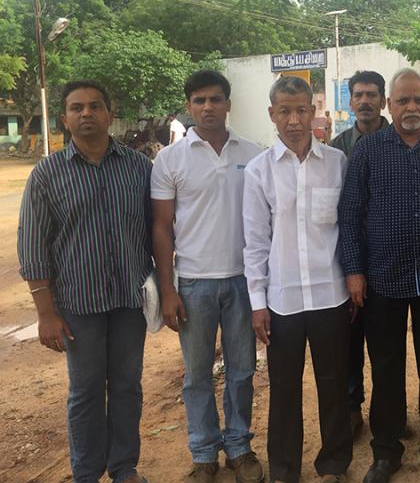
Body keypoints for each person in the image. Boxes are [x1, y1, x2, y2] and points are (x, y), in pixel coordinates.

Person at [338, 67, 420, 483]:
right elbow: (350, 214)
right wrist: (354, 270)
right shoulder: (367, 150)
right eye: (403, 101)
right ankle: (386, 451)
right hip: (381, 278)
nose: (411, 107)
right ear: (389, 105)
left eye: (418, 100)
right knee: (385, 367)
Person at [18, 80, 152, 483]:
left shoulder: (138, 168)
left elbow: (158, 230)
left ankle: (125, 468)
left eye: (95, 106)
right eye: (77, 108)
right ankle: (87, 474)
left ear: (110, 114)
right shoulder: (47, 174)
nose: (87, 114)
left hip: (131, 302)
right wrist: (45, 314)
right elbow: (32, 247)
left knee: (128, 387)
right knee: (87, 393)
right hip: (79, 307)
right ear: (64, 119)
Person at [151, 70, 263, 483]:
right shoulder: (169, 160)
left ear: (228, 104)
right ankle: (202, 453)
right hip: (193, 284)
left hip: (243, 281)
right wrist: (167, 289)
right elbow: (161, 228)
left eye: (216, 99)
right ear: (189, 106)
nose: (207, 107)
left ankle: (239, 448)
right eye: (199, 100)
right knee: (197, 375)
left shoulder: (253, 154)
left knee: (242, 372)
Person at [243, 75, 352, 483]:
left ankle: (334, 464)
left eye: (301, 110)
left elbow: (349, 230)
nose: (294, 120)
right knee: (284, 390)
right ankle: (285, 469)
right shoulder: (258, 172)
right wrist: (257, 303)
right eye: (285, 111)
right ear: (272, 114)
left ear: (314, 112)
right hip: (282, 301)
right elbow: (254, 243)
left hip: (331, 296)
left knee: (334, 385)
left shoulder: (337, 164)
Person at [330, 70, 390, 438]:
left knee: (387, 343)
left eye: (372, 94)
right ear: (350, 102)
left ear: (383, 100)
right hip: (349, 257)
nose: (365, 101)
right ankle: (352, 408)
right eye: (358, 95)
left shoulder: (400, 140)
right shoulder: (336, 150)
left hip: (389, 259)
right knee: (349, 340)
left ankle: (389, 412)